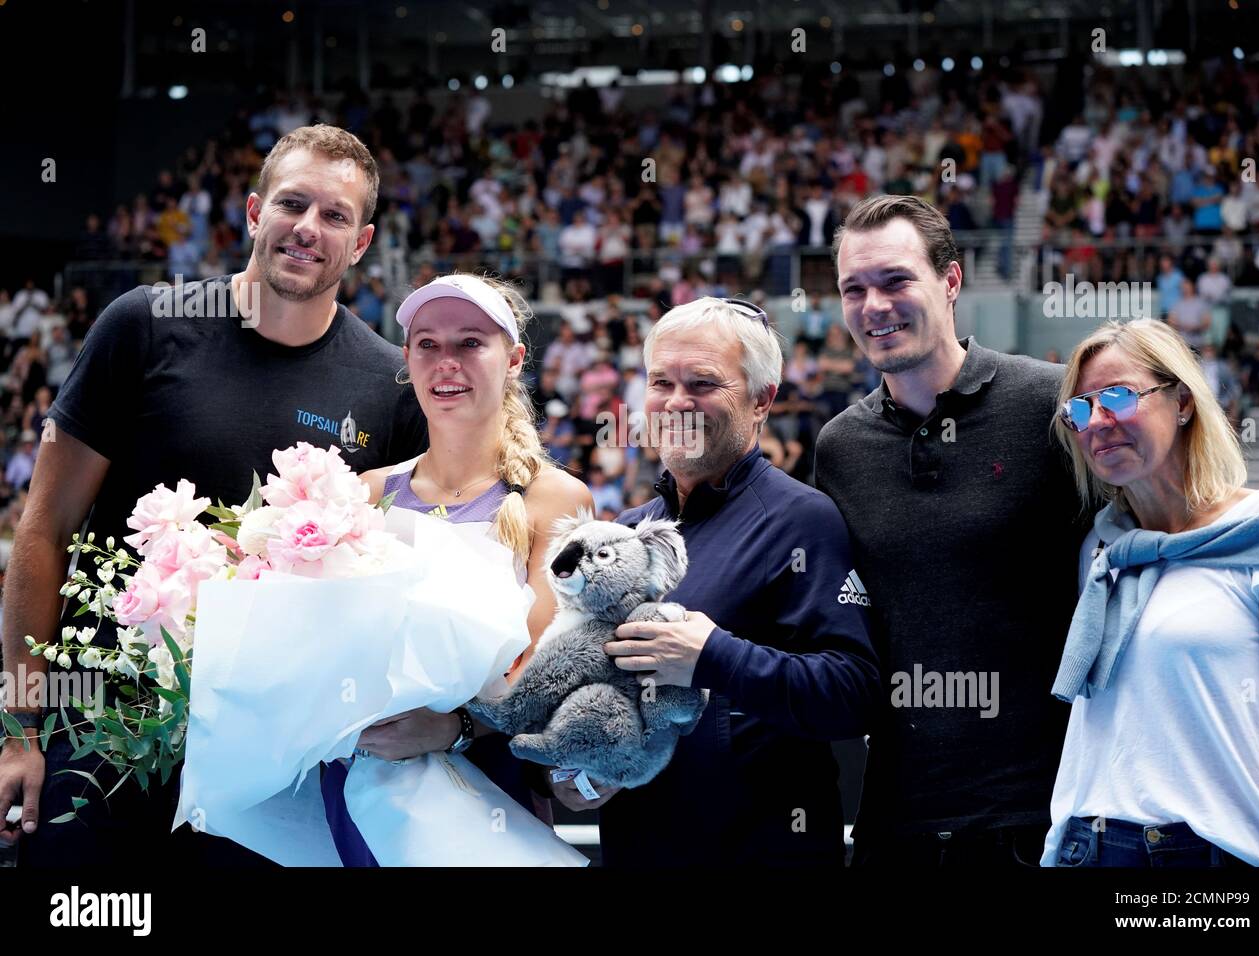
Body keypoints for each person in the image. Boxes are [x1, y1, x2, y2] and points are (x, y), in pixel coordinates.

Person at [0, 124, 429, 864]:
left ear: (360, 244)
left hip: (274, 770)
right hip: (100, 736)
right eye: (293, 204)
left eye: (334, 215)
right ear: (255, 212)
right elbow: (45, 529)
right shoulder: (142, 326)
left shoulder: (391, 385)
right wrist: (20, 731)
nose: (307, 229)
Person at [558, 296, 883, 866]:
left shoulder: (801, 519)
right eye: (661, 382)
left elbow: (852, 694)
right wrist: (580, 775)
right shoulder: (625, 535)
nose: (677, 402)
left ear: (762, 400)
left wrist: (714, 655)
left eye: (704, 384)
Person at [815, 195, 1088, 867]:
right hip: (893, 827)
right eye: (855, 288)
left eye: (896, 280)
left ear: (951, 281)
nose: (874, 305)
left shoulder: (1050, 406)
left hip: (1040, 824)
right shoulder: (840, 447)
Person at [319, 273, 592, 865]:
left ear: (514, 360)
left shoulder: (558, 499)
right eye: (428, 345)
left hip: (489, 792)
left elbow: (547, 672)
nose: (447, 362)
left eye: (470, 343)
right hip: (358, 786)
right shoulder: (362, 493)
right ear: (408, 361)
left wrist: (455, 727)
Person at [1044, 319, 1259, 867]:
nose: (1100, 422)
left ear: (1183, 401)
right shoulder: (1102, 547)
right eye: (1083, 409)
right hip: (1085, 843)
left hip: (1211, 850)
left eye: (1118, 396)